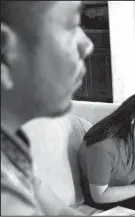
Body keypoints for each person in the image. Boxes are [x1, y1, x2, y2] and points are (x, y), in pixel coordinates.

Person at [1, 1, 94, 215]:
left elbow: (59, 211)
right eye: (72, 25)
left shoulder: (11, 148)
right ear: (4, 50)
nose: (87, 45)